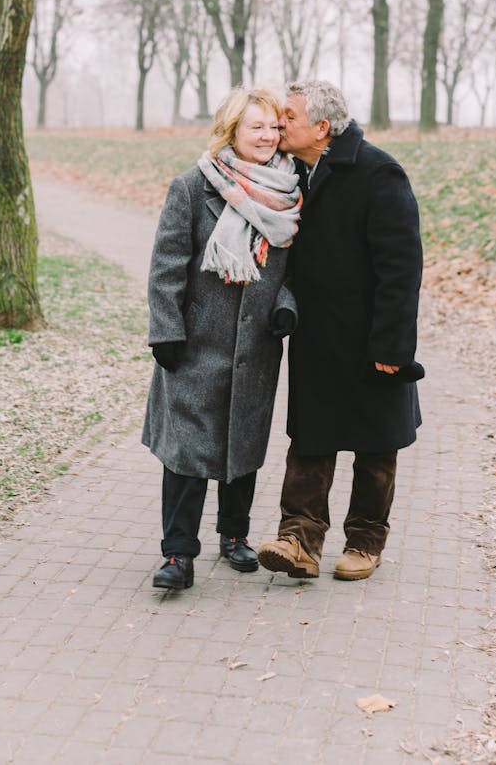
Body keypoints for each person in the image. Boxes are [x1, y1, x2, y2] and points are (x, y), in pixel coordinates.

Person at [258, 80, 423, 582]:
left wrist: (393, 344)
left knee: (375, 447)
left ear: (322, 127)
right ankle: (299, 541)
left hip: (372, 338)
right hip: (317, 338)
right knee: (311, 440)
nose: (278, 123)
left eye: (288, 116)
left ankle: (365, 543)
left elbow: (402, 266)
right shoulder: (292, 174)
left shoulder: (378, 172)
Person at [143, 87, 301, 591]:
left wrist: (286, 306)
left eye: (274, 127)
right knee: (187, 453)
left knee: (242, 447)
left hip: (255, 345)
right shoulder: (192, 186)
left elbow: (299, 269)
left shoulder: (291, 192)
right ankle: (177, 554)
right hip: (193, 344)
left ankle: (234, 537)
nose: (268, 136)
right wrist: (166, 331)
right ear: (231, 129)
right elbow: (166, 265)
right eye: (257, 126)